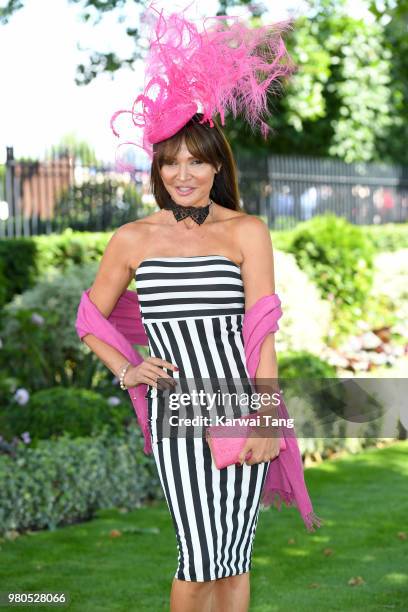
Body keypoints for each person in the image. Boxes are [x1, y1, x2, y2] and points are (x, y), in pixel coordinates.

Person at [81, 6, 301, 611]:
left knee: (234, 553)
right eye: (171, 160)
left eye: (196, 160)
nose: (184, 173)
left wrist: (264, 417)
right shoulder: (132, 239)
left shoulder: (247, 232)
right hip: (180, 413)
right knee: (198, 553)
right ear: (157, 166)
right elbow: (89, 320)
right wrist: (127, 368)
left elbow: (261, 333)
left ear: (216, 165)